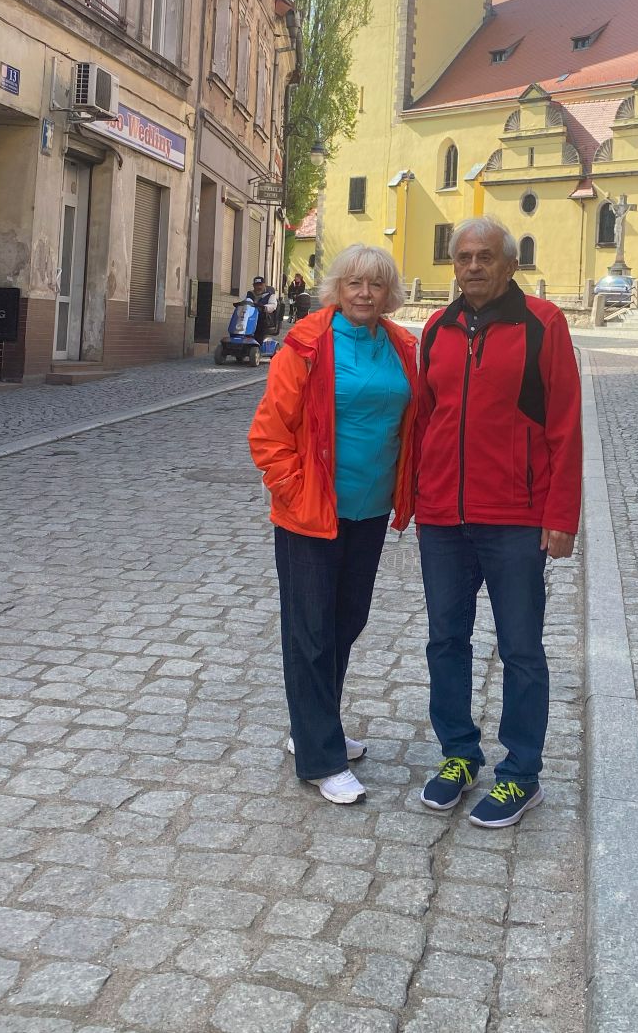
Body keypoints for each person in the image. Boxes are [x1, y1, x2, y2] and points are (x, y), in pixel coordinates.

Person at [415, 216, 582, 828]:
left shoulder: (543, 324)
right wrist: (416, 498)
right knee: (445, 641)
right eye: (463, 257)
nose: (473, 266)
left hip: (515, 517)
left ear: (510, 265)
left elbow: (565, 423)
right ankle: (458, 755)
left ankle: (521, 773)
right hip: (443, 517)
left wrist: (560, 516)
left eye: (485, 256)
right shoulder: (437, 328)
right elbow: (424, 419)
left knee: (520, 648)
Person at [249, 244, 417, 805]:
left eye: (376, 284)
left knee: (346, 621)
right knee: (311, 630)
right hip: (312, 513)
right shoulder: (306, 344)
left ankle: (313, 725)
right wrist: (294, 491)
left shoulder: (400, 346)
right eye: (354, 283)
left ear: (389, 293)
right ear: (337, 289)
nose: (365, 293)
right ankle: (320, 756)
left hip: (370, 509)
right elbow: (269, 433)